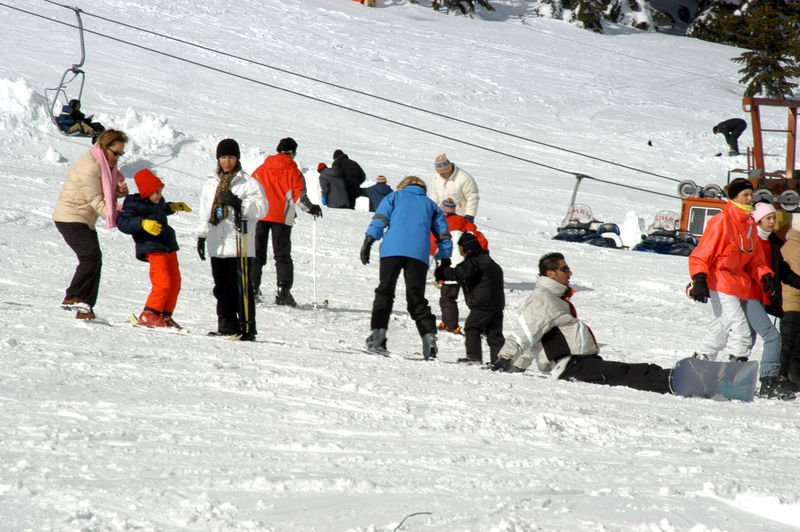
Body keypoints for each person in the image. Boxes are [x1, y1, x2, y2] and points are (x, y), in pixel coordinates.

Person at [492, 252, 673, 394]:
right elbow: (526, 333)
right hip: (572, 367)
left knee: (624, 370)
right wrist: (504, 359)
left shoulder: (554, 300)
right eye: (565, 269)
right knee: (626, 373)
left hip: (580, 364)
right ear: (550, 273)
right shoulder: (543, 299)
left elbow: (535, 339)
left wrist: (517, 368)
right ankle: (670, 380)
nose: (570, 273)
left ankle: (668, 376)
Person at [361, 176, 453, 359]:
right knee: (416, 299)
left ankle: (378, 338)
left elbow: (380, 219)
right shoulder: (431, 205)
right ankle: (430, 342)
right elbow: (443, 234)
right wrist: (444, 258)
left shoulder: (394, 197)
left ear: (404, 185)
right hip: (418, 255)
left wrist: (369, 240)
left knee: (385, 292)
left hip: (392, 252)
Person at [688, 178, 776, 362]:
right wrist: (699, 279)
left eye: (751, 195)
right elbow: (702, 253)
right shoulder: (721, 221)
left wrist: (765, 276)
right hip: (719, 281)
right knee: (740, 327)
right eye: (745, 195)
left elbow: (755, 259)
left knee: (722, 324)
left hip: (736, 283)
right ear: (734, 197)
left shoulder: (750, 224)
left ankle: (703, 357)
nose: (749, 199)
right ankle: (737, 360)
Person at [53, 129, 130, 320]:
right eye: (115, 153)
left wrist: (117, 192)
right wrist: (121, 217)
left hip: (83, 218)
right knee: (90, 256)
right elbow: (96, 200)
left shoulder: (104, 164)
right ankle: (72, 297)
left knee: (95, 258)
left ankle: (85, 307)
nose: (117, 158)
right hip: (70, 217)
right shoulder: (91, 166)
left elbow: (103, 192)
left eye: (121, 154)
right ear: (104, 147)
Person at [196, 138, 268, 340]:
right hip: (216, 242)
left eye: (231, 157)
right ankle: (226, 325)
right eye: (223, 157)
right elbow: (204, 212)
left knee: (241, 288)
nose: (227, 162)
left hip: (239, 242)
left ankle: (247, 327)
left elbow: (262, 208)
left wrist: (239, 204)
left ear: (237, 158)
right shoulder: (211, 182)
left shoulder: (248, 182)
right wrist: (202, 235)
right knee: (221, 287)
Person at [251, 137, 322, 306]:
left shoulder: (261, 169)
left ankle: (252, 288)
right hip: (282, 217)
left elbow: (251, 189)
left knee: (257, 253)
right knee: (282, 255)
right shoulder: (293, 171)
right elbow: (299, 197)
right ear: (293, 153)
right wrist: (311, 208)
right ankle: (283, 292)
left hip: (260, 215)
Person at [118, 168, 192, 328]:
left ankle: (164, 315)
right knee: (163, 282)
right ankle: (149, 314)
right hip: (153, 247)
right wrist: (142, 223)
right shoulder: (134, 204)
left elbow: (160, 209)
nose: (158, 195)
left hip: (168, 245)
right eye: (154, 192)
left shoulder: (158, 201)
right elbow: (123, 222)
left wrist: (173, 207)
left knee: (175, 283)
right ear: (145, 193)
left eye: (159, 191)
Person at [749, 202, 800, 399]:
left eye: (774, 218)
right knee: (777, 338)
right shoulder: (792, 246)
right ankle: (772, 378)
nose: (772, 222)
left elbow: (785, 272)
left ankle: (782, 377)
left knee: (783, 340)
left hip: (774, 298)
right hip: (782, 300)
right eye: (768, 218)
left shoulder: (775, 244)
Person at [434, 232, 505, 364]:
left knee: (472, 327)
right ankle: (500, 361)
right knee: (494, 334)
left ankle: (474, 357)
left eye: (462, 250)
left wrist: (442, 271)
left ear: (468, 249)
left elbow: (461, 274)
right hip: (497, 304)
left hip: (483, 303)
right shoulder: (489, 261)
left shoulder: (474, 262)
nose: (462, 254)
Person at [430, 198, 489, 334]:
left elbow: (432, 245)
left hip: (449, 266)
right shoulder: (464, 222)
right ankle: (482, 325)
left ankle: (450, 325)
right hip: (468, 265)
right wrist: (483, 254)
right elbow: (480, 238)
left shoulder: (437, 223)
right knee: (472, 298)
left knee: (448, 297)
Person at [779, 214, 800, 392]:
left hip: (791, 300)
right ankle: (782, 375)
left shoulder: (791, 244)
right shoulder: (796, 247)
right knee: (789, 341)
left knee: (793, 342)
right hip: (792, 301)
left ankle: (791, 376)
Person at [429, 153, 479, 222]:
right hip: (441, 217)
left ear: (449, 169)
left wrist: (470, 215)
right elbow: (434, 196)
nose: (441, 174)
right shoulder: (436, 178)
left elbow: (472, 197)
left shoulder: (464, 178)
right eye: (439, 172)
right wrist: (430, 210)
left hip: (460, 217)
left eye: (443, 172)